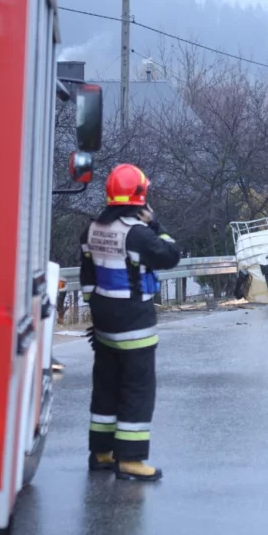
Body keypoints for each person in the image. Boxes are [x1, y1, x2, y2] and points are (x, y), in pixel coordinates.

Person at [79, 163, 181, 481]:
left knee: (106, 387)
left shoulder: (92, 229)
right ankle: (131, 459)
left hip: (104, 324)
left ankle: (101, 452)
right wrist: (157, 224)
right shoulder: (137, 233)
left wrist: (96, 317)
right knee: (138, 389)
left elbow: (87, 280)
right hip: (134, 326)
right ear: (140, 197)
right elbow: (171, 254)